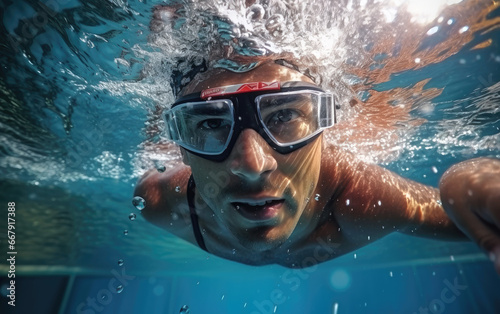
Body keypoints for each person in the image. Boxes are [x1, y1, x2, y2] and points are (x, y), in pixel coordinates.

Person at [134, 59, 500, 272]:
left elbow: (478, 216)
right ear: (180, 147)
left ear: (325, 127)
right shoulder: (158, 200)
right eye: (210, 123)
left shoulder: (360, 198)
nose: (251, 165)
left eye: (285, 114)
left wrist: (464, 183)